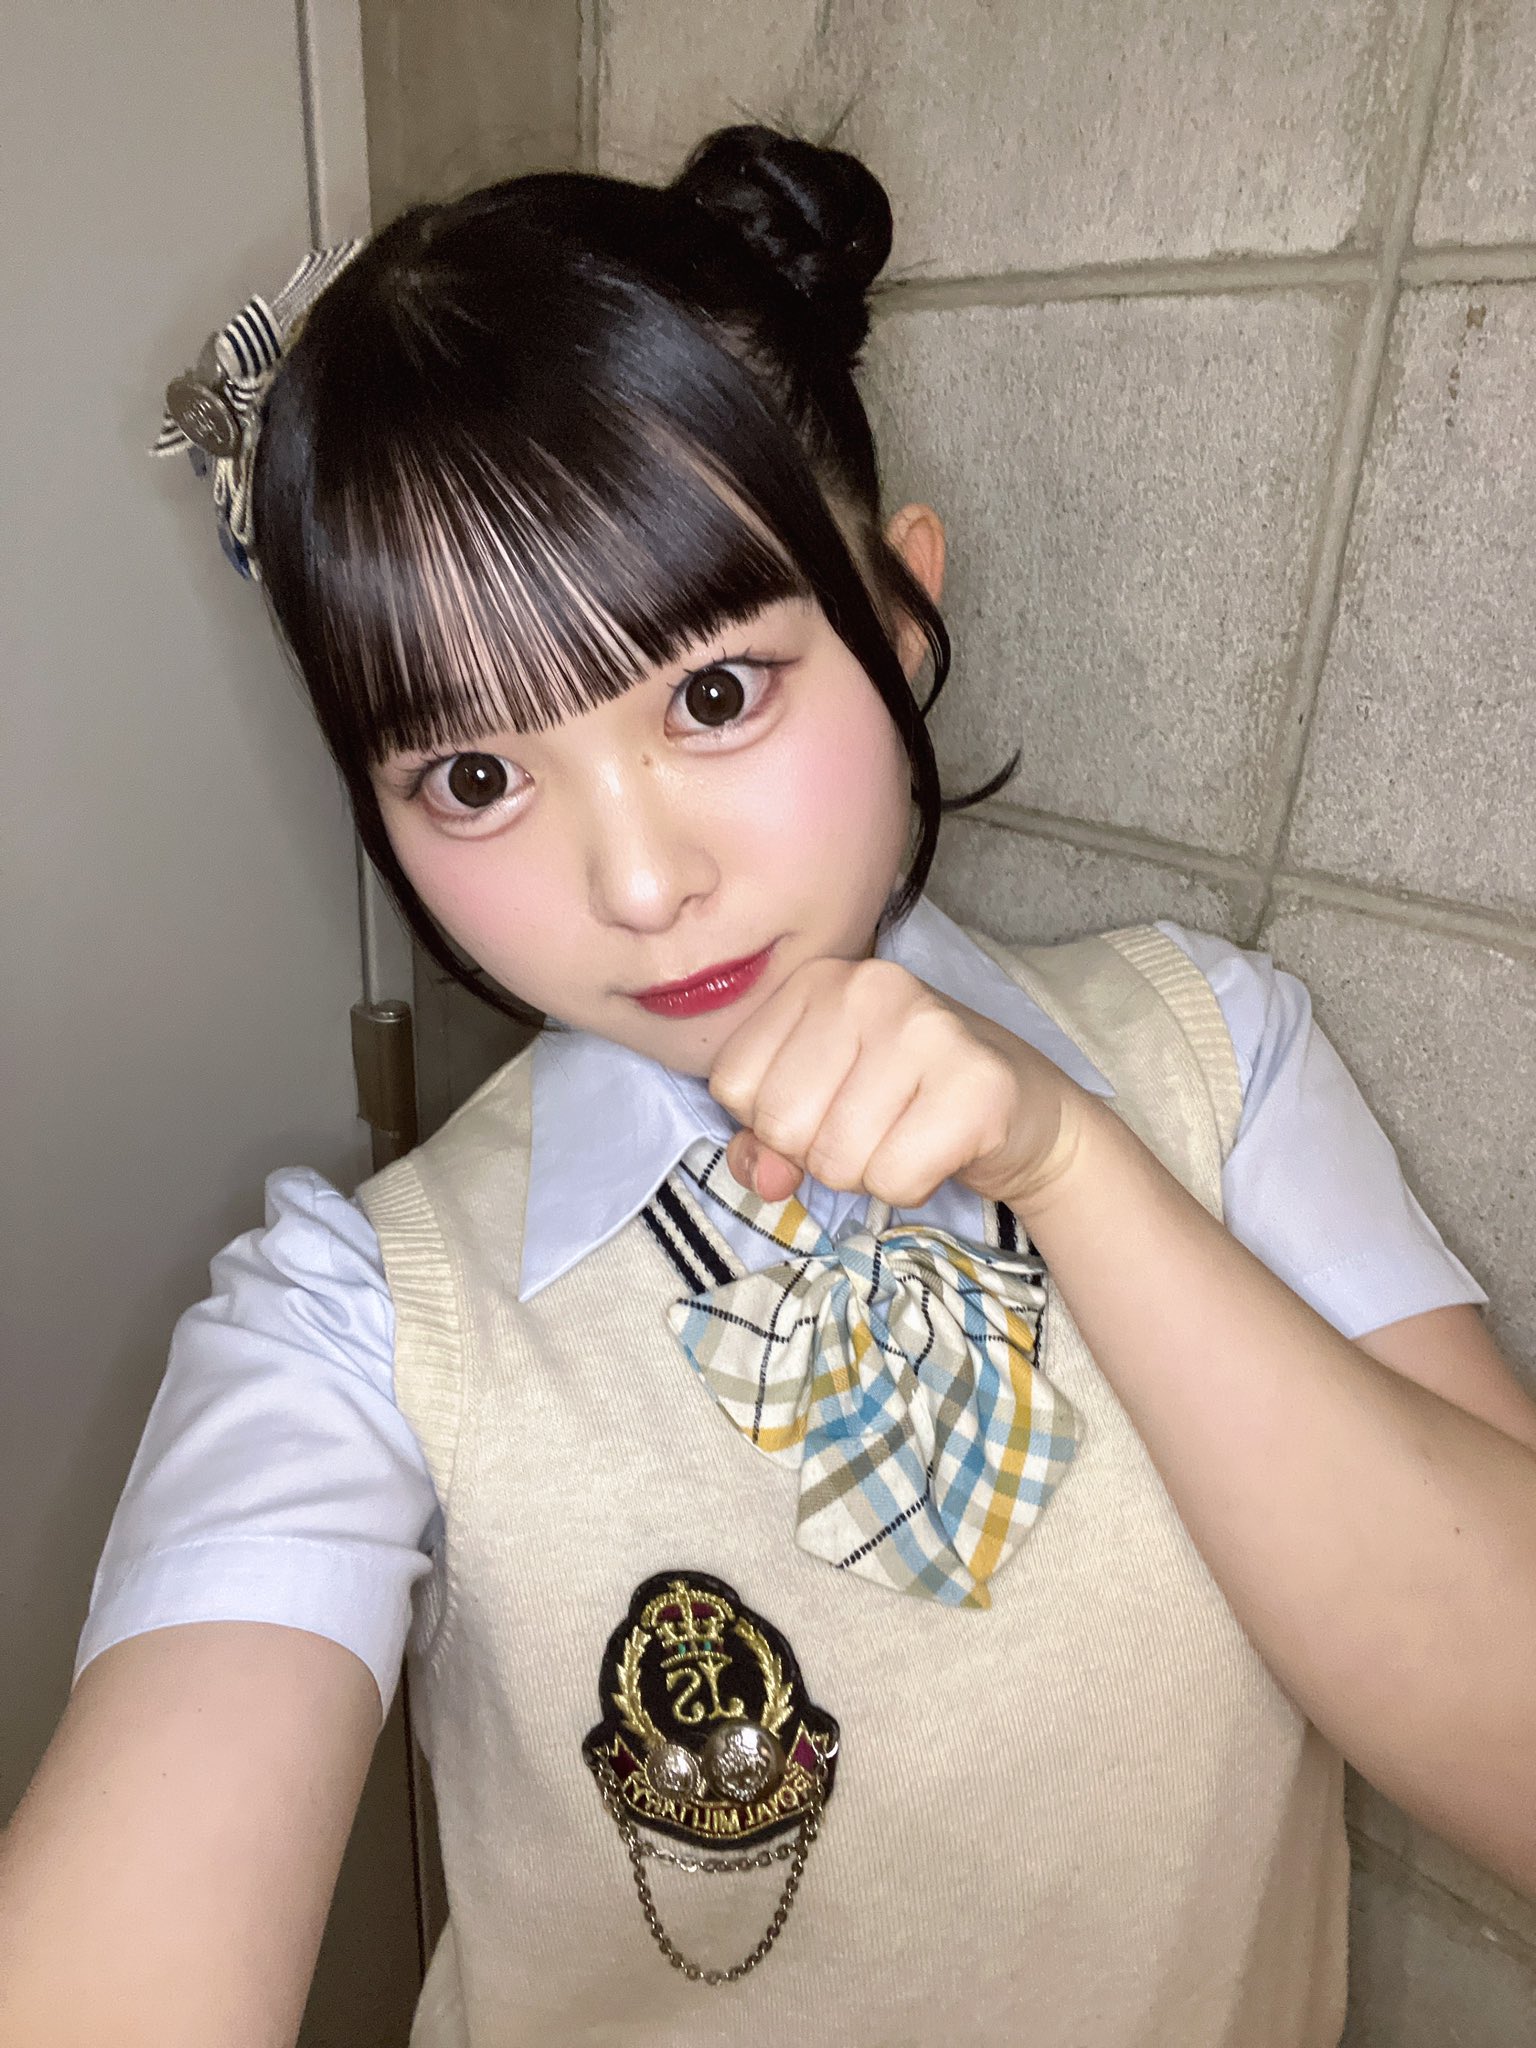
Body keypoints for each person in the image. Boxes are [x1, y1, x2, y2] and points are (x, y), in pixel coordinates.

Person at [3, 125, 1534, 2048]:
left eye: (713, 694)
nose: (641, 885)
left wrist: (1072, 1162)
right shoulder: (351, 1320)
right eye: (473, 778)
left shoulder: (1221, 1062)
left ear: (900, 618)